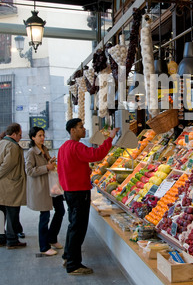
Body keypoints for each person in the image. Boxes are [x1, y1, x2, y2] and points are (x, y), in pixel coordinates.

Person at [57, 118, 118, 275]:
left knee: (73, 225)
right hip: (78, 192)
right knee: (78, 228)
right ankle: (73, 265)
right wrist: (110, 138)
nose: (84, 129)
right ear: (72, 130)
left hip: (69, 192)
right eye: (80, 127)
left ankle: (67, 256)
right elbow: (97, 154)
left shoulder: (63, 147)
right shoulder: (76, 147)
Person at [26, 126, 65, 256]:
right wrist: (46, 167)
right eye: (39, 136)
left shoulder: (45, 149)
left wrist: (51, 162)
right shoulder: (31, 152)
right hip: (42, 189)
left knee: (60, 210)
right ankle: (44, 246)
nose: (43, 138)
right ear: (33, 137)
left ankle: (52, 238)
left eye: (43, 135)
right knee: (45, 217)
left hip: (52, 187)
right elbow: (29, 171)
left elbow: (47, 165)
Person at [0, 123, 27, 249]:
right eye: (20, 134)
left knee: (1, 213)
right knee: (12, 213)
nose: (21, 137)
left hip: (3, 185)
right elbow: (8, 164)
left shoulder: (2, 143)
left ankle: (1, 238)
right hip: (11, 185)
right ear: (14, 134)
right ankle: (11, 240)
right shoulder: (13, 146)